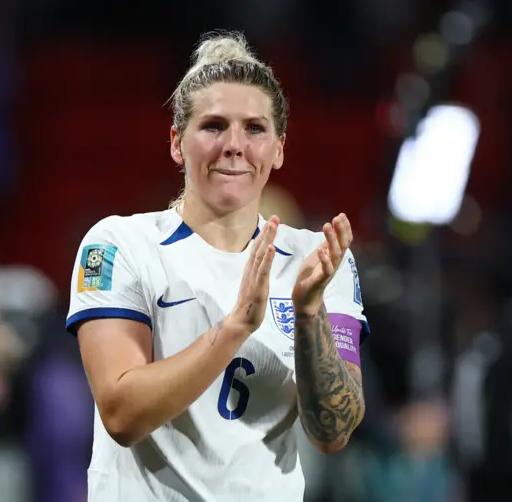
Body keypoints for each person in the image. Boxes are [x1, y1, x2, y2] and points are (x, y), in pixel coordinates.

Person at [66, 31, 370, 502]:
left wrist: (309, 316)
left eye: (254, 128)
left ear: (279, 148)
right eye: (212, 125)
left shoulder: (318, 258)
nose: (234, 145)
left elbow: (333, 431)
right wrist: (233, 329)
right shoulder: (118, 245)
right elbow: (122, 415)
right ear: (176, 142)